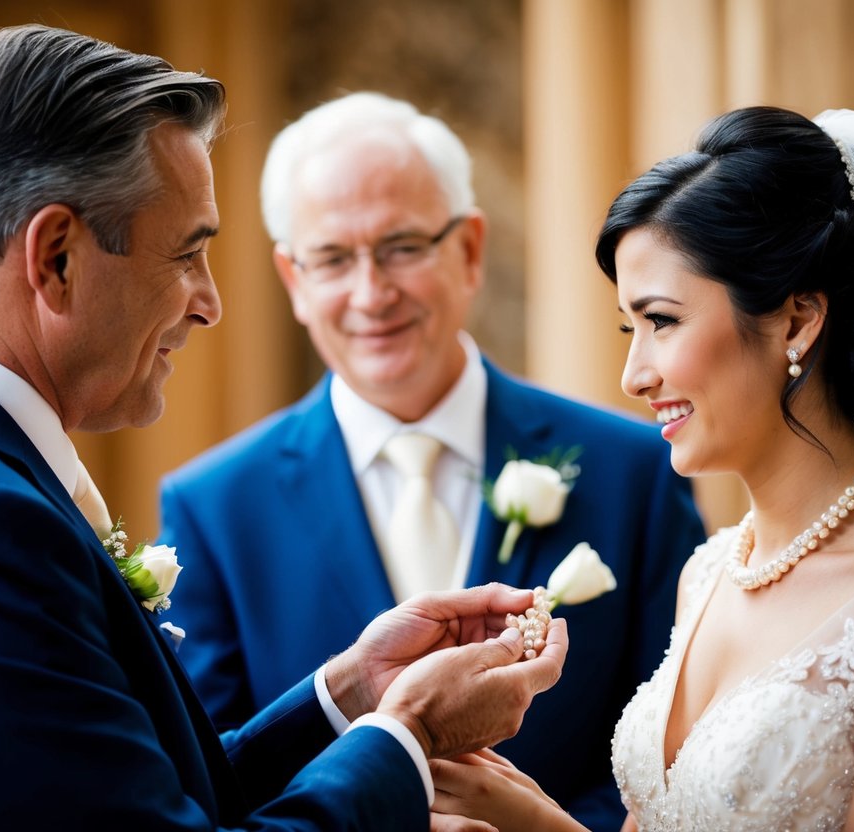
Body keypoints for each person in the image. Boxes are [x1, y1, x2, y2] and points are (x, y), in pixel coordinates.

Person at [0, 26, 571, 831]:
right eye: (186, 255)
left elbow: (111, 794)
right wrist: (411, 735)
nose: (209, 302)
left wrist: (347, 697)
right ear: (55, 256)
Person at [426, 106, 854, 831]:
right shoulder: (708, 572)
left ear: (795, 321)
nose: (633, 375)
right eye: (626, 330)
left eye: (661, 322)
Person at [157, 91, 705, 830]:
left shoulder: (633, 471)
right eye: (331, 259)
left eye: (402, 247)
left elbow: (676, 746)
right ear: (293, 280)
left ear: (471, 249)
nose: (369, 292)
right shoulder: (213, 506)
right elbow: (213, 777)